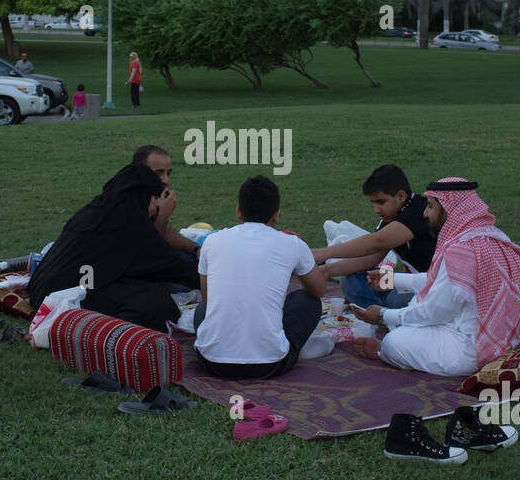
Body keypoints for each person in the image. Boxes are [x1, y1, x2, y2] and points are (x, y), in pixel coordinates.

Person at [352, 178, 520, 378]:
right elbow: (438, 281)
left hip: (471, 349)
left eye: (430, 207)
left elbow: (435, 311)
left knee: (395, 341)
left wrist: (383, 316)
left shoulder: (461, 250)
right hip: (505, 335)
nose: (425, 213)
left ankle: (382, 350)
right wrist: (391, 279)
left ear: (447, 209)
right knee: (413, 308)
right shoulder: (490, 237)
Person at [27, 162, 199, 332]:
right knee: (156, 303)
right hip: (67, 299)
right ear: (145, 197)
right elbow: (171, 265)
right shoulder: (131, 222)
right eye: (155, 199)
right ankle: (101, 335)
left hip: (46, 290)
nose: (155, 206)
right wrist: (212, 276)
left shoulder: (98, 209)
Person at [194, 176, 327, 379]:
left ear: (239, 211)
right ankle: (278, 341)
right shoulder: (292, 243)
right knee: (307, 300)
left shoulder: (211, 242)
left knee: (203, 309)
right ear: (276, 215)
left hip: (211, 361)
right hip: (270, 363)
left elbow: (208, 298)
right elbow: (318, 290)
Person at [311, 165, 437, 310]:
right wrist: (327, 270)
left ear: (401, 196)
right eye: (374, 203)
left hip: (434, 283)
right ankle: (379, 313)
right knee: (354, 278)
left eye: (381, 202)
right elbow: (371, 257)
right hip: (410, 279)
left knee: (393, 300)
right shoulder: (391, 218)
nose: (376, 210)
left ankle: (384, 313)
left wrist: (323, 253)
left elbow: (376, 242)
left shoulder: (419, 210)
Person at [132, 144, 207, 257]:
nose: (166, 180)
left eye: (168, 173)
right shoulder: (127, 202)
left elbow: (166, 233)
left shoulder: (153, 197)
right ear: (139, 172)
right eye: (158, 173)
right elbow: (152, 248)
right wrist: (163, 215)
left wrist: (196, 249)